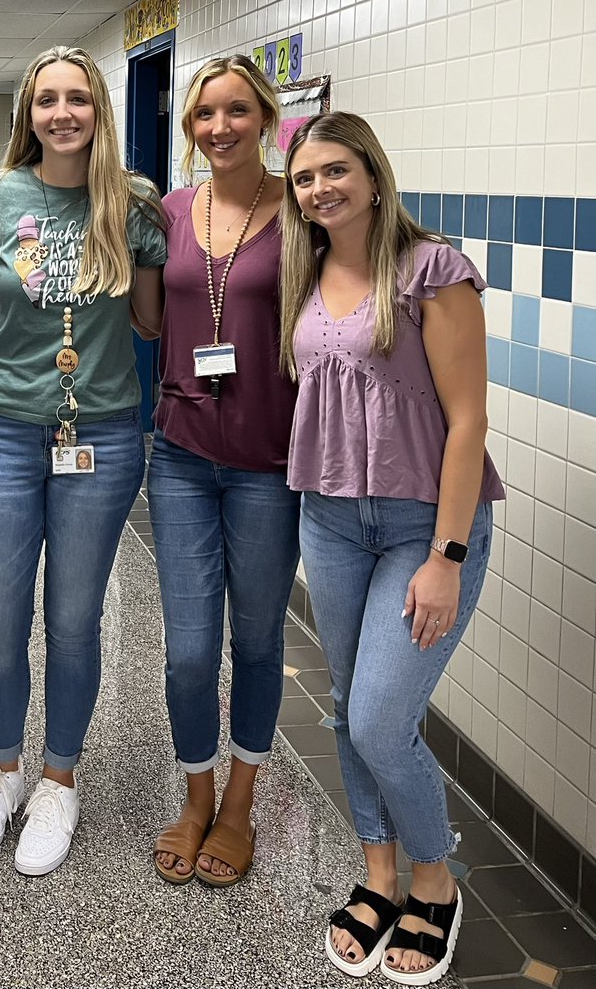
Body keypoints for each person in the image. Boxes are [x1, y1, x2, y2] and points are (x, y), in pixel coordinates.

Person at [279, 112, 503, 983]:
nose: (319, 189)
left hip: (422, 527)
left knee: (380, 716)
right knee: (346, 706)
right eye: (303, 178)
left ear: (372, 174)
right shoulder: (306, 270)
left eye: (334, 171)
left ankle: (433, 884)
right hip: (330, 521)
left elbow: (466, 422)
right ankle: (376, 877)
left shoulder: (429, 270)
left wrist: (445, 558)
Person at [0, 45, 165, 876]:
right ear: (26, 114)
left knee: (73, 620)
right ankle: (0, 771)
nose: (61, 113)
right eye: (46, 100)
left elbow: (149, 321)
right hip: (1, 429)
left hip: (100, 435)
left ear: (98, 109)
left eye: (77, 98)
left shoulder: (134, 204)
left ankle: (57, 780)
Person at [147, 56, 301, 888]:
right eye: (205, 113)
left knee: (256, 639)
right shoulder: (172, 211)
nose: (219, 127)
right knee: (186, 651)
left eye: (237, 110)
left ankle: (240, 805)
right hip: (177, 456)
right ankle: (195, 794)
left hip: (269, 466)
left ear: (266, 118)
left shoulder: (300, 214)